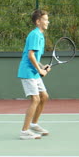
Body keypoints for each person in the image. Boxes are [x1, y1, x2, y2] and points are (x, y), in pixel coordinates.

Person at [17, 9, 51, 140]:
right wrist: (40, 70)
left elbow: (35, 57)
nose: (48, 21)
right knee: (35, 99)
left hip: (34, 72)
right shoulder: (35, 35)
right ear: (38, 21)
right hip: (27, 72)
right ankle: (24, 131)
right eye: (45, 19)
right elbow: (30, 55)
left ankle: (34, 124)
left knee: (44, 97)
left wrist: (42, 67)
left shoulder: (40, 35)